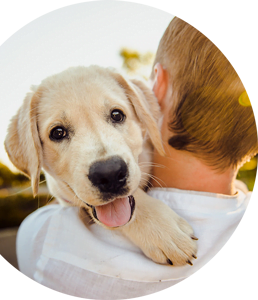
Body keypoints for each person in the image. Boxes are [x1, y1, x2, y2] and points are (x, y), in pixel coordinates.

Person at [16, 16, 258, 300]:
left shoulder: (43, 241)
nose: (105, 162)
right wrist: (137, 210)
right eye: (59, 133)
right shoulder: (249, 214)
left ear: (155, 92)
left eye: (116, 116)